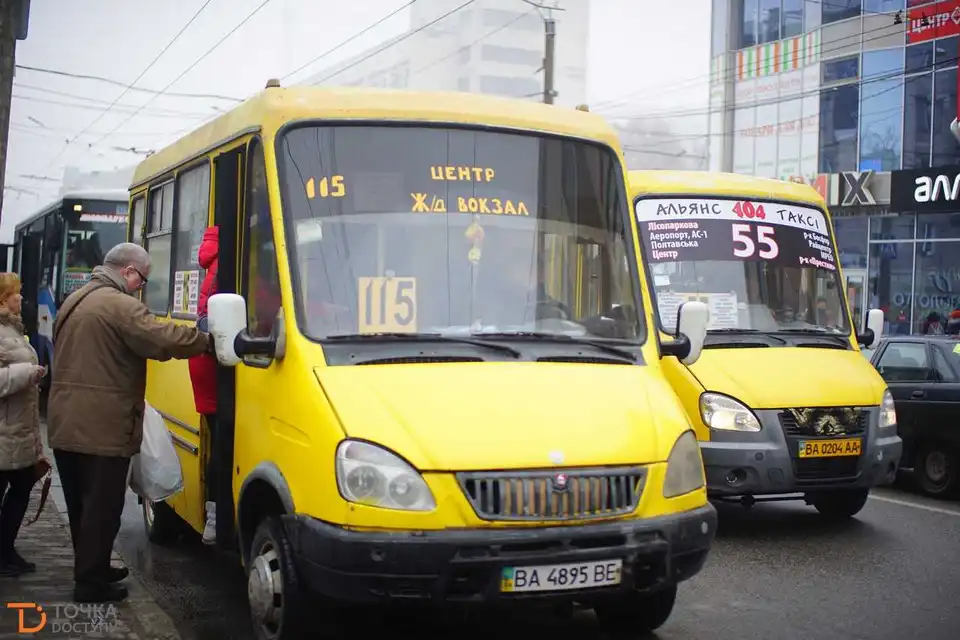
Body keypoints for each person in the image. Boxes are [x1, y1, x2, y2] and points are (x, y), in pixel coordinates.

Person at [47, 243, 213, 603]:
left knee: (81, 506)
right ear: (127, 271)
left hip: (66, 422)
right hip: (100, 425)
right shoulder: (118, 304)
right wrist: (205, 341)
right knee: (103, 508)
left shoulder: (77, 300)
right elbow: (159, 336)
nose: (141, 287)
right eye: (142, 279)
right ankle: (91, 585)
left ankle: (92, 567)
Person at [0, 273, 46, 577]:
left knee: (21, 485)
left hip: (16, 430)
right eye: (17, 293)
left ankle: (6, 550)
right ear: (3, 298)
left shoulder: (12, 328)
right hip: (5, 432)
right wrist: (28, 373)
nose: (21, 298)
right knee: (17, 486)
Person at [188, 226, 219, 545]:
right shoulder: (229, 259)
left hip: (207, 361)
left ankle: (215, 515)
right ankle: (215, 516)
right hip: (211, 364)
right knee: (222, 446)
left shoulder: (216, 254)